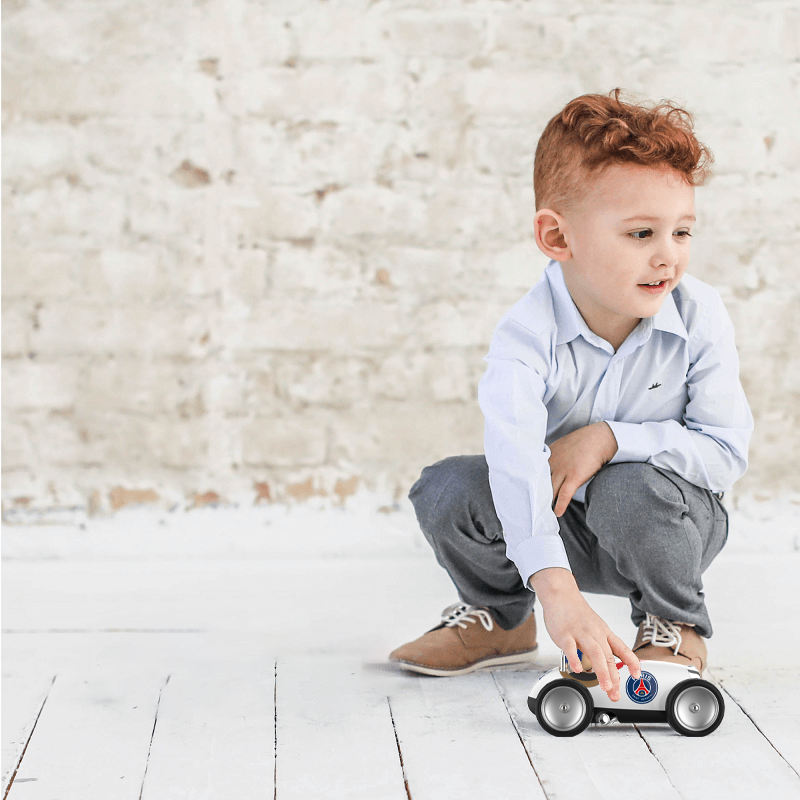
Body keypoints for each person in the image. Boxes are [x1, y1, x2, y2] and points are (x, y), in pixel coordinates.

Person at [389, 88, 753, 704]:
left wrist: (612, 439)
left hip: (668, 522)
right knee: (446, 489)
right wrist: (556, 592)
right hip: (561, 528)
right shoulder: (525, 336)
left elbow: (724, 454)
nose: (669, 256)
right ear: (558, 238)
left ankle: (674, 621)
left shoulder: (701, 315)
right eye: (642, 233)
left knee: (626, 484)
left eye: (682, 232)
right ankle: (502, 618)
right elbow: (514, 461)